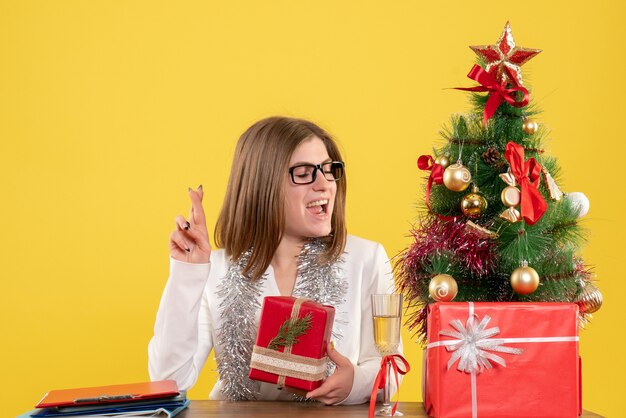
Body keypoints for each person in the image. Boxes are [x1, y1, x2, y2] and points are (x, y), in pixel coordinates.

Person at [148, 116, 401, 405]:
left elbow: (390, 371)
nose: (325, 184)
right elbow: (168, 381)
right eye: (304, 173)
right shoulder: (217, 269)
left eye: (329, 170)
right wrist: (187, 274)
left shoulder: (367, 259)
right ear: (263, 185)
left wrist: (354, 384)